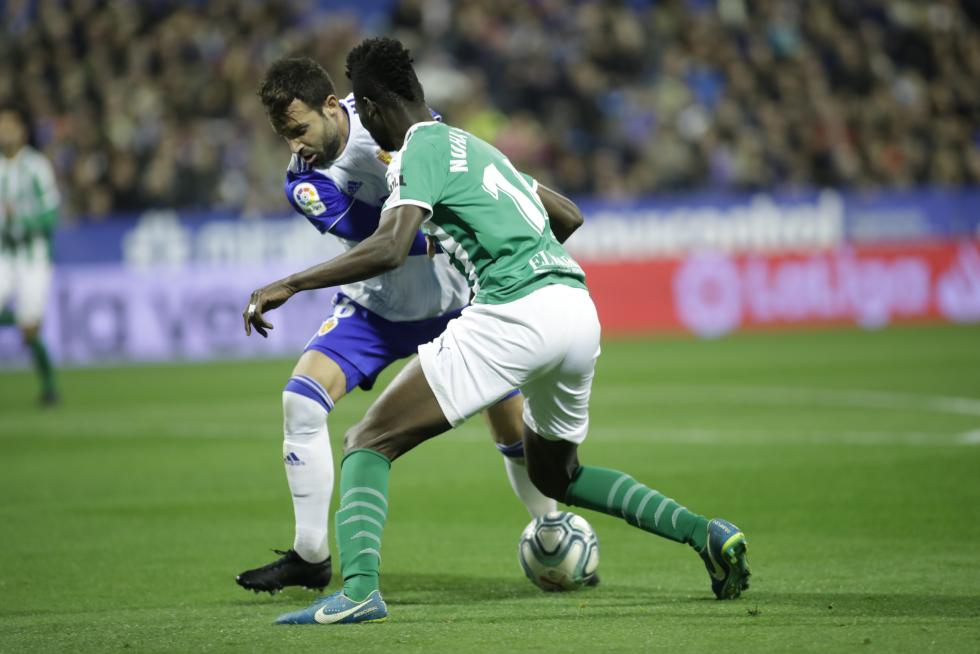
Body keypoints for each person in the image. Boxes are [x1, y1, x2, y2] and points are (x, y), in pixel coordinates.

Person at [245, 38, 750, 626]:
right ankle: (705, 533)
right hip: (575, 309)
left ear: (371, 109)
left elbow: (386, 246)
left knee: (367, 441)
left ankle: (358, 589)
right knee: (559, 474)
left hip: (513, 312)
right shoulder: (478, 146)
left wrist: (289, 284)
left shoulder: (415, 152)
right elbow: (569, 215)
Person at [235, 57, 560, 595]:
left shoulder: (387, 120)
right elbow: (385, 241)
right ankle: (311, 554)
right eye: (284, 137)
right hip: (375, 309)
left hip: (454, 303)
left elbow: (449, 167)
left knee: (510, 425)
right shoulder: (306, 184)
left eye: (299, 130)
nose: (295, 146)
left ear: (332, 107)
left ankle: (551, 527)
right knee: (300, 401)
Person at [0, 104, 59, 406]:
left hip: (32, 257)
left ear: (22, 131)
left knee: (29, 329)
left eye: (9, 125)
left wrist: (20, 220)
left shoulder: (36, 166)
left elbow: (52, 214)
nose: (4, 131)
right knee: (24, 323)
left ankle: (50, 387)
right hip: (3, 256)